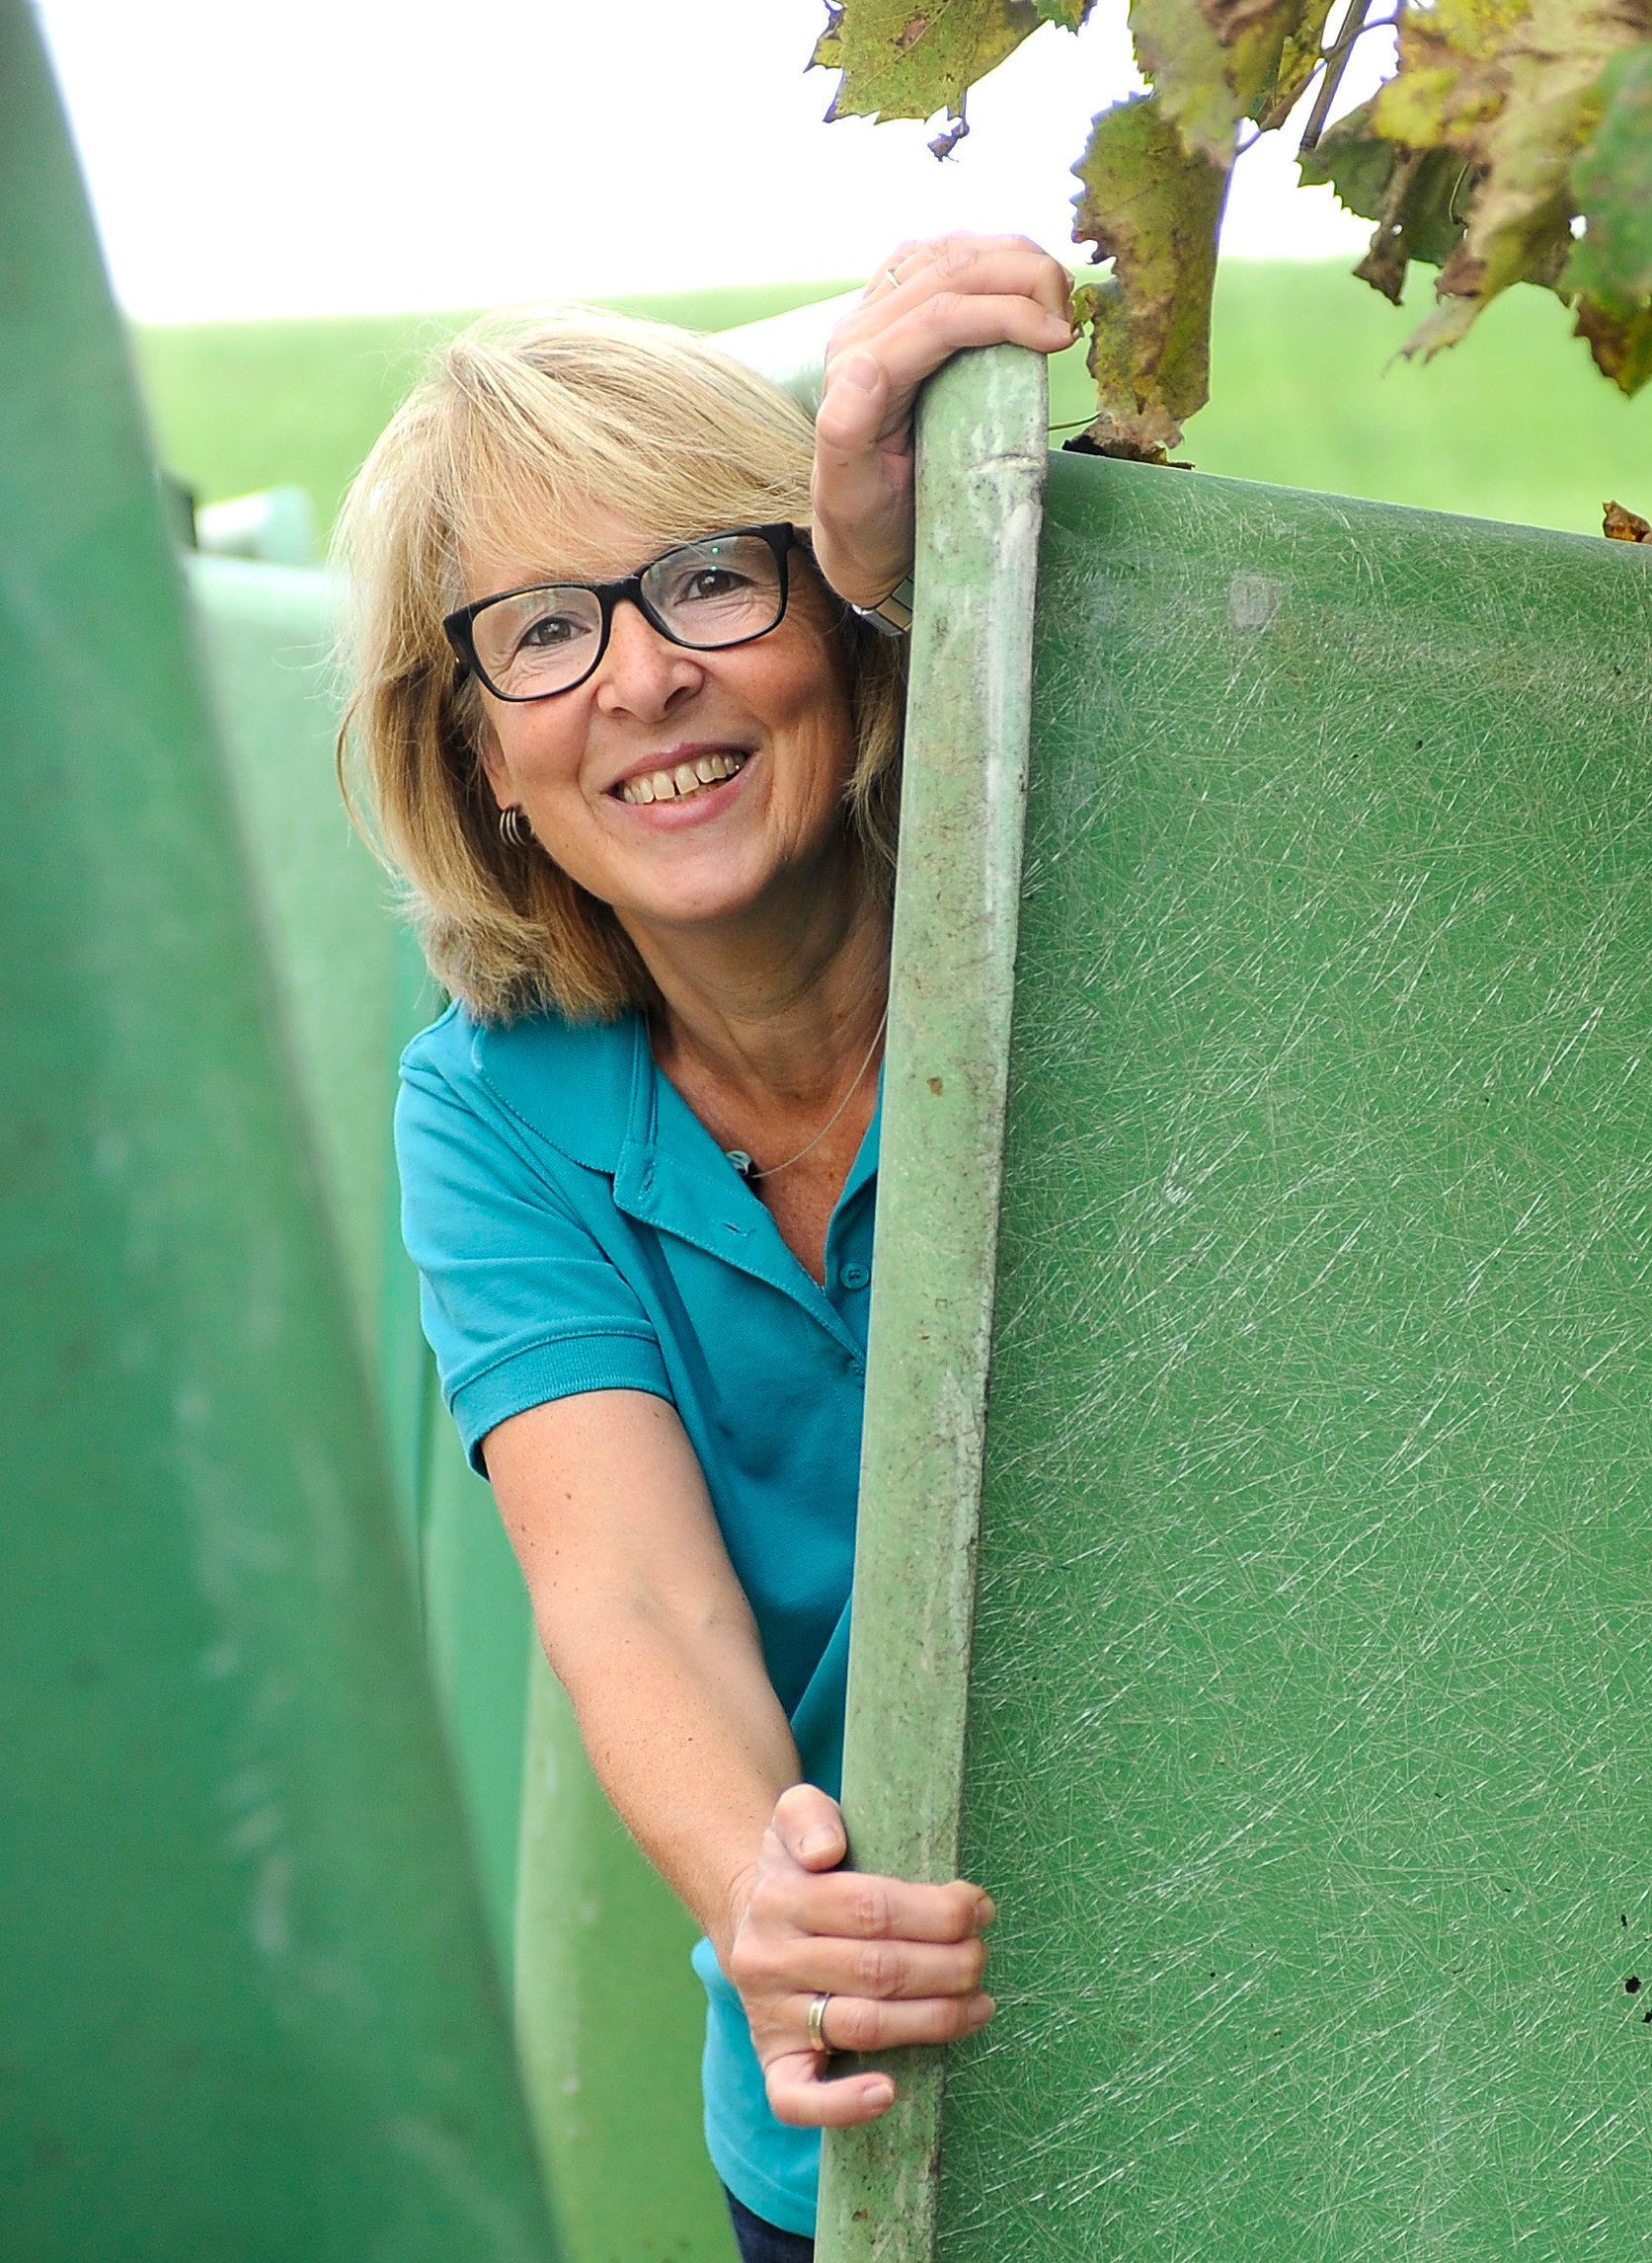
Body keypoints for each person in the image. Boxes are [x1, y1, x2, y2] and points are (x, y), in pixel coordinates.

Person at [336, 233, 1075, 2260]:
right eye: (544, 633)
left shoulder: (1061, 884)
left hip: (1258, 1995)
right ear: (483, 759)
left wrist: (944, 539)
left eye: (709, 580)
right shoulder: (490, 1110)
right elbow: (638, 1608)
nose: (645, 676)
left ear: (833, 615)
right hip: (862, 2094)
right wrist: (780, 1900)